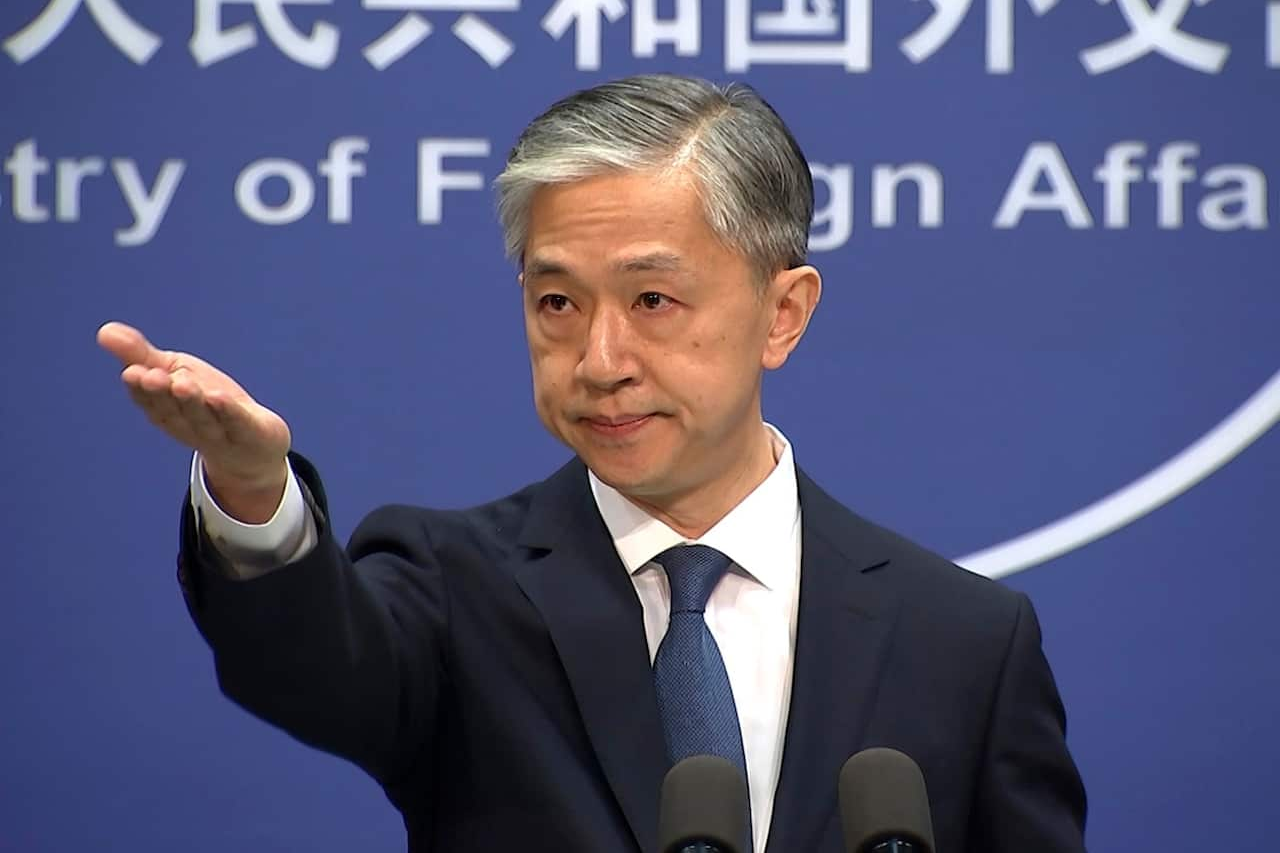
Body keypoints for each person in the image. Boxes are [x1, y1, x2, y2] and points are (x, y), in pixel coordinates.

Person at [98, 74, 1086, 853]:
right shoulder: (453, 584)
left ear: (782, 312)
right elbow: (314, 671)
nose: (600, 361)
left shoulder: (962, 639)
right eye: (557, 304)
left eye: (652, 300)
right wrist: (253, 493)